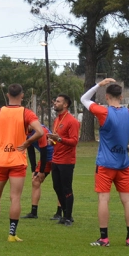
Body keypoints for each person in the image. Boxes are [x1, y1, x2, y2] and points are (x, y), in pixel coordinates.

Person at [82, 79, 129, 247]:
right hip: (123, 164)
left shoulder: (103, 112)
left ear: (107, 97)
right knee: (127, 200)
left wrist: (98, 84)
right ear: (121, 97)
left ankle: (104, 238)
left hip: (105, 164)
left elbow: (84, 99)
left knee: (104, 200)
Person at [0, 84, 44, 242]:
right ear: (22, 95)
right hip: (17, 160)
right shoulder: (26, 113)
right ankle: (12, 234)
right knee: (15, 198)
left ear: (8, 95)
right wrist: (27, 142)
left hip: (1, 160)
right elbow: (40, 131)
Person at [46, 94, 80, 224]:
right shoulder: (57, 120)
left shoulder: (72, 121)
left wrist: (58, 139)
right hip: (56, 159)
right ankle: (65, 213)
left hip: (66, 161)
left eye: (58, 101)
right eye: (55, 101)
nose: (55, 103)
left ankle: (68, 216)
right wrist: (52, 142)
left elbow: (74, 141)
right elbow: (57, 139)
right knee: (57, 187)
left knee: (66, 188)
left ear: (65, 105)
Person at [22, 124, 54, 219]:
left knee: (59, 184)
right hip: (46, 158)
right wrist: (33, 170)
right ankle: (34, 212)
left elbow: (44, 151)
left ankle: (60, 213)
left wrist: (41, 171)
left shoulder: (41, 131)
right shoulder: (26, 132)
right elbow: (30, 150)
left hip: (56, 157)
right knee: (35, 181)